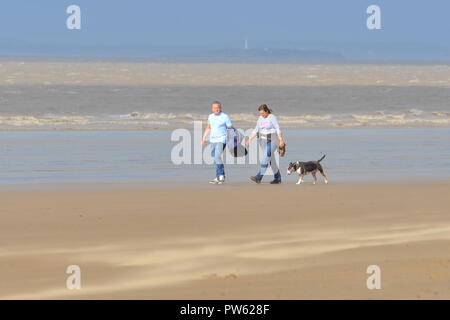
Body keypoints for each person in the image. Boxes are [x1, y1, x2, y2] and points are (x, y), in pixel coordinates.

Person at [246, 104, 285, 184]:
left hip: (273, 140)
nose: (261, 115)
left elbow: (277, 128)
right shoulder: (260, 118)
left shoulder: (272, 117)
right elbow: (256, 129)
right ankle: (278, 178)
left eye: (263, 113)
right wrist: (250, 138)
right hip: (262, 140)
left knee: (265, 158)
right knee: (271, 160)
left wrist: (280, 140)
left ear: (267, 111)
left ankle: (259, 177)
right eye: (260, 113)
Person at [201, 101, 233, 184]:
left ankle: (221, 175)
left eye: (218, 107)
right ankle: (218, 177)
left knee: (217, 156)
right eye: (214, 108)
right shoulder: (210, 116)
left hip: (222, 139)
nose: (216, 109)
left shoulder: (225, 116)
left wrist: (233, 139)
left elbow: (230, 128)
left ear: (221, 108)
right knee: (214, 158)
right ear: (212, 109)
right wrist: (203, 139)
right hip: (212, 140)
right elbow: (208, 127)